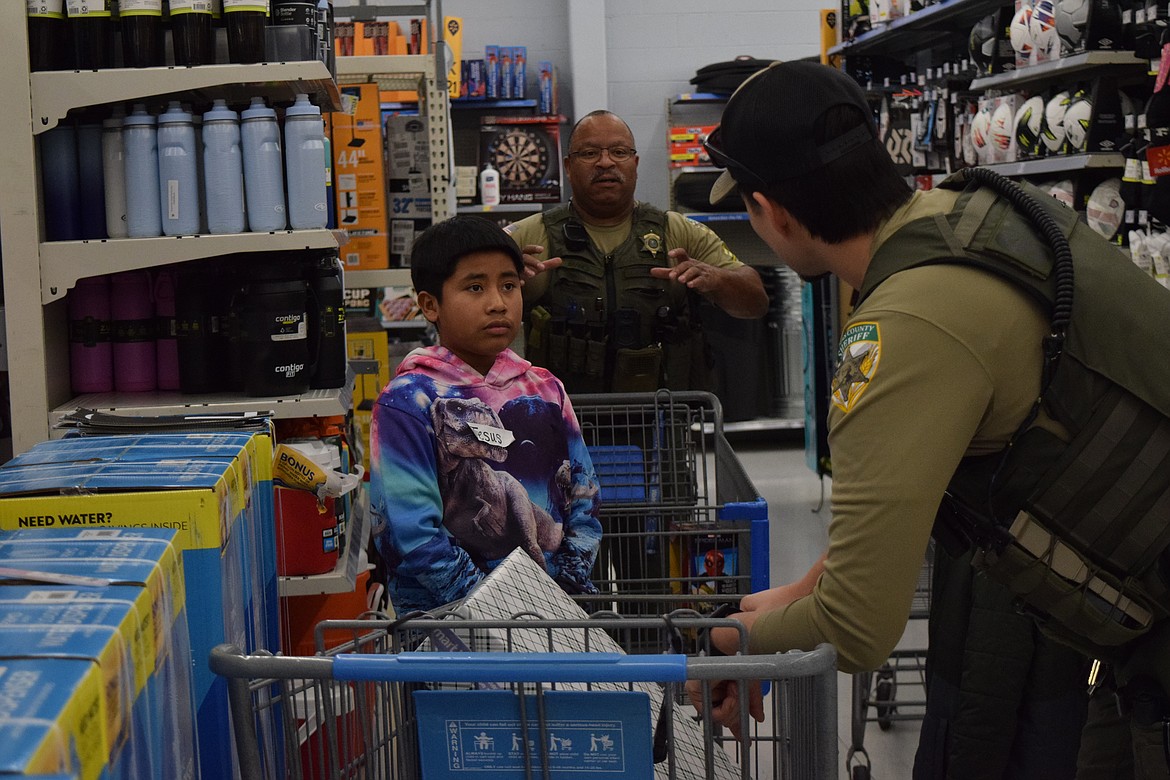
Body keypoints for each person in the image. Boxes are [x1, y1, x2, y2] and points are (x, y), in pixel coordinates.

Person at [692, 61, 1170, 779]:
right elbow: (909, 504)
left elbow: (857, 628)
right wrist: (786, 601)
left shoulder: (899, 333)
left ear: (774, 213)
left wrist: (730, 642)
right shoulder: (977, 217)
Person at [368, 215, 603, 615]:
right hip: (450, 629)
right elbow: (412, 532)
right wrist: (498, 612)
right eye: (475, 287)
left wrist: (566, 590)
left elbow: (583, 497)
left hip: (556, 617)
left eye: (509, 285)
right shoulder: (407, 403)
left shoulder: (546, 389)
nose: (497, 302)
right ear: (430, 305)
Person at [505, 109, 769, 394]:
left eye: (619, 152)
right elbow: (458, 295)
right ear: (568, 166)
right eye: (590, 153)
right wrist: (503, 281)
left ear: (635, 162)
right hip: (563, 423)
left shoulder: (678, 232)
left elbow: (756, 302)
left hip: (660, 422)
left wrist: (716, 278)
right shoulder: (528, 236)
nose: (605, 162)